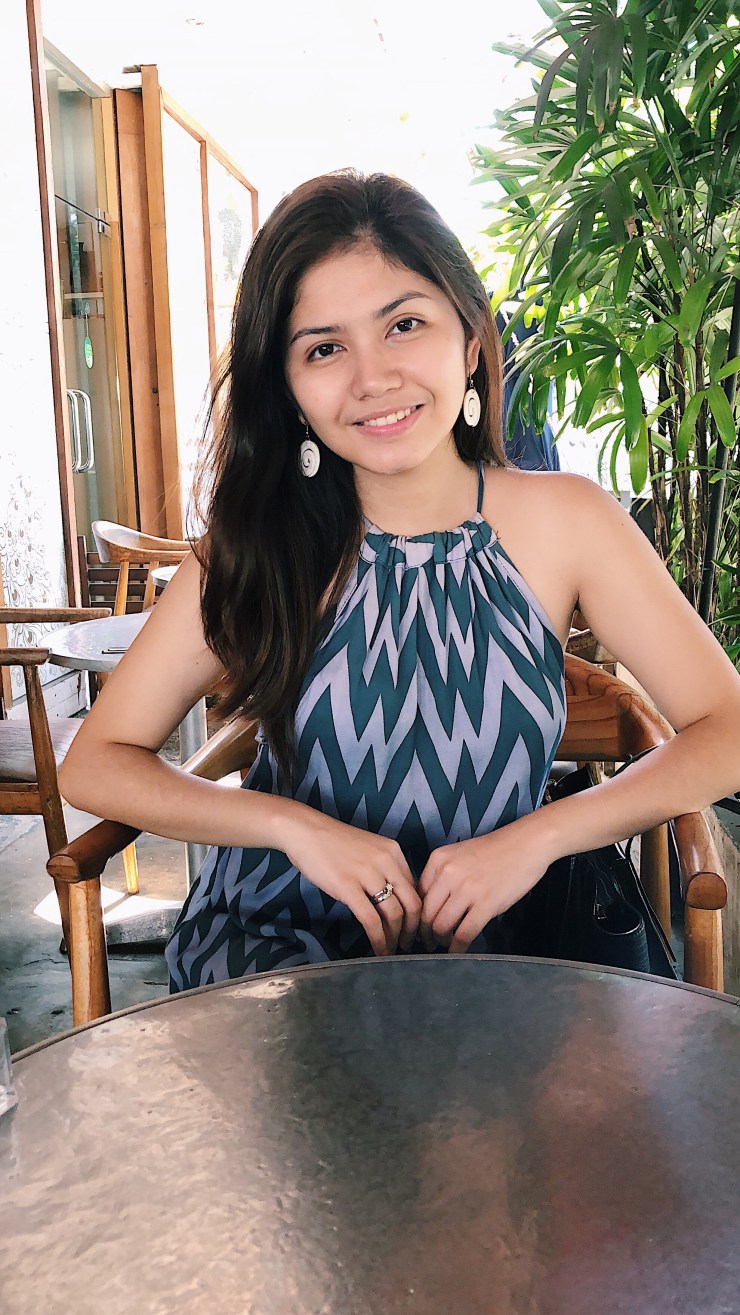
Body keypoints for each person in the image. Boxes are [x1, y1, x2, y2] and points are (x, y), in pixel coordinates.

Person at [60, 171, 740, 989]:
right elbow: (95, 762)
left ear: (471, 340)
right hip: (275, 954)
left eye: (404, 324)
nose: (372, 378)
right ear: (289, 388)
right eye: (324, 347)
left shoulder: (568, 521)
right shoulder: (259, 545)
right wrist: (290, 826)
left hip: (499, 949)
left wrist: (543, 835)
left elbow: (728, 728)